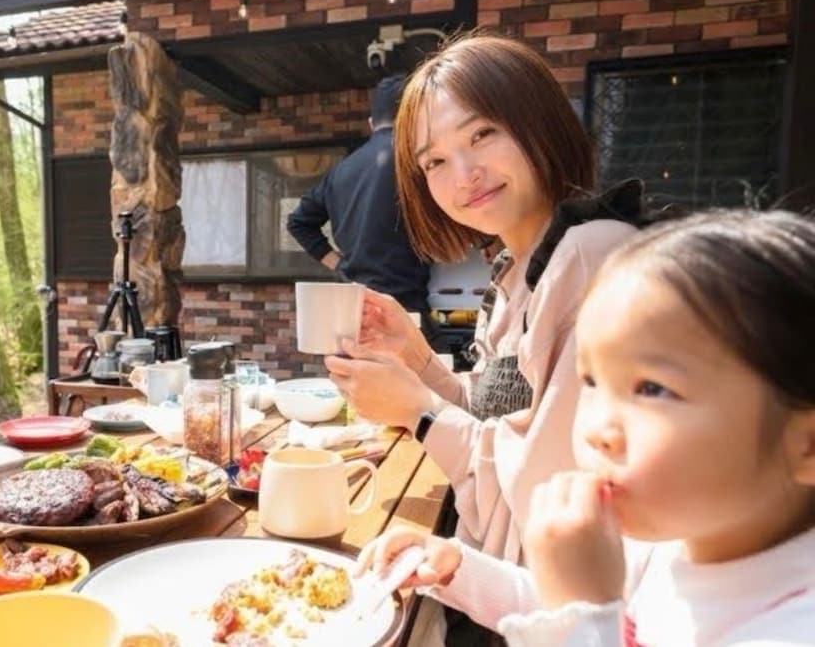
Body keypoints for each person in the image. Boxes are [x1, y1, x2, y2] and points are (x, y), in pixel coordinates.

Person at [356, 209, 815, 646]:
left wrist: (583, 609)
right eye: (591, 382)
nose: (596, 429)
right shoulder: (670, 544)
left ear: (806, 444)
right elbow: (559, 603)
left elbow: (583, 615)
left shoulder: (789, 628)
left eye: (652, 389)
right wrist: (459, 570)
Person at [325, 34, 644, 644]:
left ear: (538, 121)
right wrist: (415, 354)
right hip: (490, 588)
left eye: (481, 135)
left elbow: (544, 493)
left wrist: (418, 412)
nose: (463, 176)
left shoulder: (590, 256)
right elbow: (499, 415)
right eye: (434, 162)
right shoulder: (515, 266)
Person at [286, 74, 433, 323]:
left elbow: (298, 223)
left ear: (371, 123)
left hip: (354, 311)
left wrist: (339, 264)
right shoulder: (419, 161)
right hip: (403, 310)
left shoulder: (341, 170)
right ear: (413, 119)